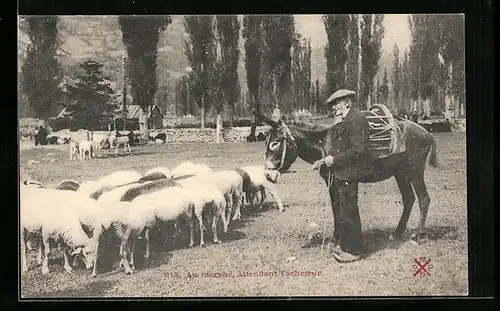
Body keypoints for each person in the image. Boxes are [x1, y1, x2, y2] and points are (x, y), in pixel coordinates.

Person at [312, 89, 373, 263]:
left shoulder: (357, 119)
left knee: (350, 211)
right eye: (333, 105)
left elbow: (358, 150)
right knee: (345, 210)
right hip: (342, 172)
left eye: (337, 104)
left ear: (348, 102)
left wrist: (334, 159)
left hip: (350, 172)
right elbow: (339, 147)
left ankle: (354, 251)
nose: (333, 108)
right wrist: (324, 160)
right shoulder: (345, 120)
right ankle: (345, 245)